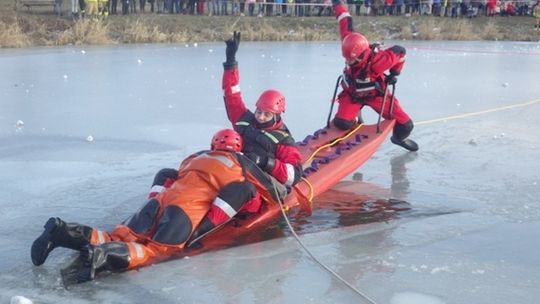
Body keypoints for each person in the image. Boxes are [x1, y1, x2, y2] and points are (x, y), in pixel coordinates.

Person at [31, 129, 282, 283]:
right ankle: (103, 256)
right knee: (156, 251)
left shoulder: (194, 158)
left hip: (159, 203)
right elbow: (270, 192)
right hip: (183, 213)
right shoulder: (239, 165)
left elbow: (168, 174)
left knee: (117, 234)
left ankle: (61, 231)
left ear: (213, 144)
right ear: (237, 148)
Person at [330, 0, 419, 152]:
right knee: (342, 123)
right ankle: (355, 119)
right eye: (347, 59)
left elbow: (400, 52)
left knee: (406, 125)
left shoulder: (379, 61)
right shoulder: (349, 40)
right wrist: (336, 2)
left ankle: (398, 138)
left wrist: (394, 73)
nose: (348, 62)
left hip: (375, 95)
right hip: (352, 94)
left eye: (352, 59)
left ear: (362, 54)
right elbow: (344, 18)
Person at [221, 31, 303, 190]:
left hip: (261, 184)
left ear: (277, 115)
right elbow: (232, 93)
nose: (260, 117)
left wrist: (265, 162)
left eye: (267, 114)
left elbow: (295, 176)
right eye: (259, 112)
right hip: (234, 173)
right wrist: (230, 61)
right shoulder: (244, 119)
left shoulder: (283, 140)